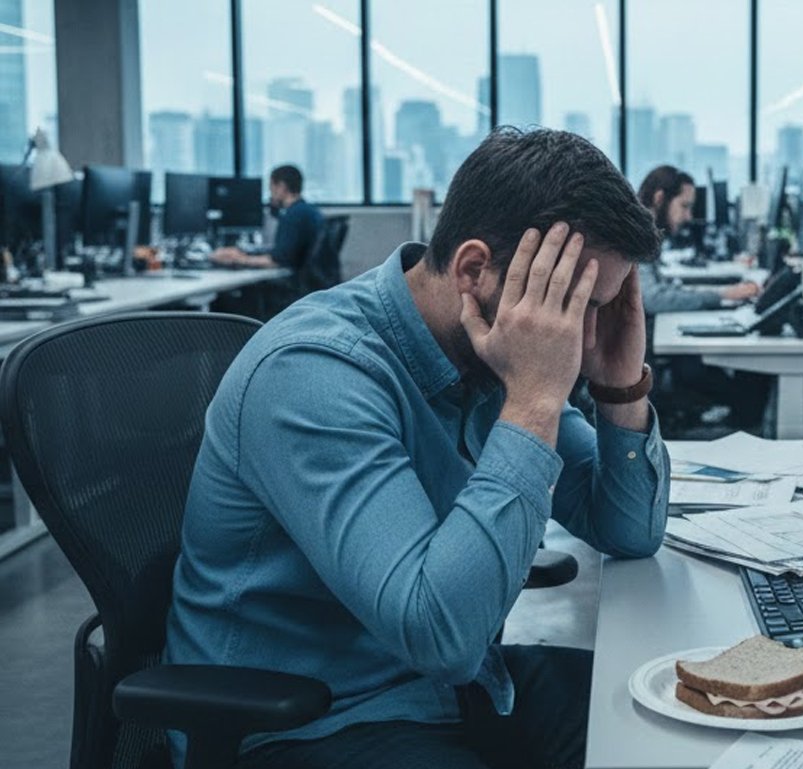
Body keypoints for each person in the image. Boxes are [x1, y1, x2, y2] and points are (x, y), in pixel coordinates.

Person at [164, 128, 669, 769]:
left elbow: (626, 529)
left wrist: (621, 386)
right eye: (568, 306)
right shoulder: (315, 375)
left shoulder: (486, 354)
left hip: (445, 689)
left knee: (663, 732)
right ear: (473, 271)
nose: (579, 335)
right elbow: (443, 637)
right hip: (309, 722)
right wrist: (537, 402)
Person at [637, 165, 759, 313]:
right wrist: (722, 295)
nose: (689, 216)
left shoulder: (645, 234)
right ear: (659, 198)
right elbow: (653, 299)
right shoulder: (636, 237)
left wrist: (721, 293)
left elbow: (661, 289)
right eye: (684, 206)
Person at [211, 164, 324, 273]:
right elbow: (283, 252)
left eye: (271, 189)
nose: (271, 196)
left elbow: (276, 261)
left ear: (281, 187)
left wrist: (238, 259)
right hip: (311, 280)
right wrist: (245, 253)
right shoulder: (309, 211)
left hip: (298, 283)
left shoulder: (293, 216)